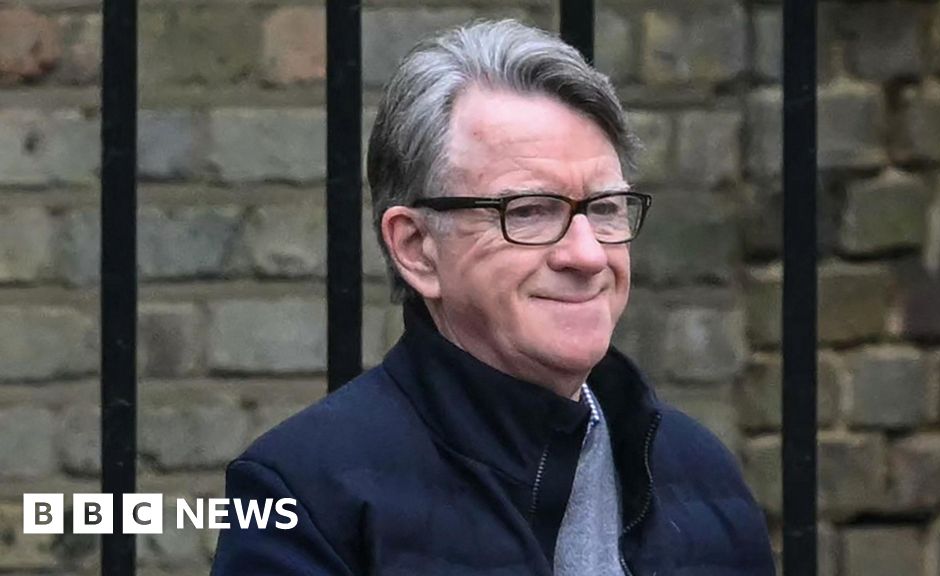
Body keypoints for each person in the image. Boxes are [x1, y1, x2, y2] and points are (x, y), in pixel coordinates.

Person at [211, 19, 774, 575]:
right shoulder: (309, 496)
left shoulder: (703, 478)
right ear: (416, 248)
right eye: (528, 212)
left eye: (604, 208)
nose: (587, 255)